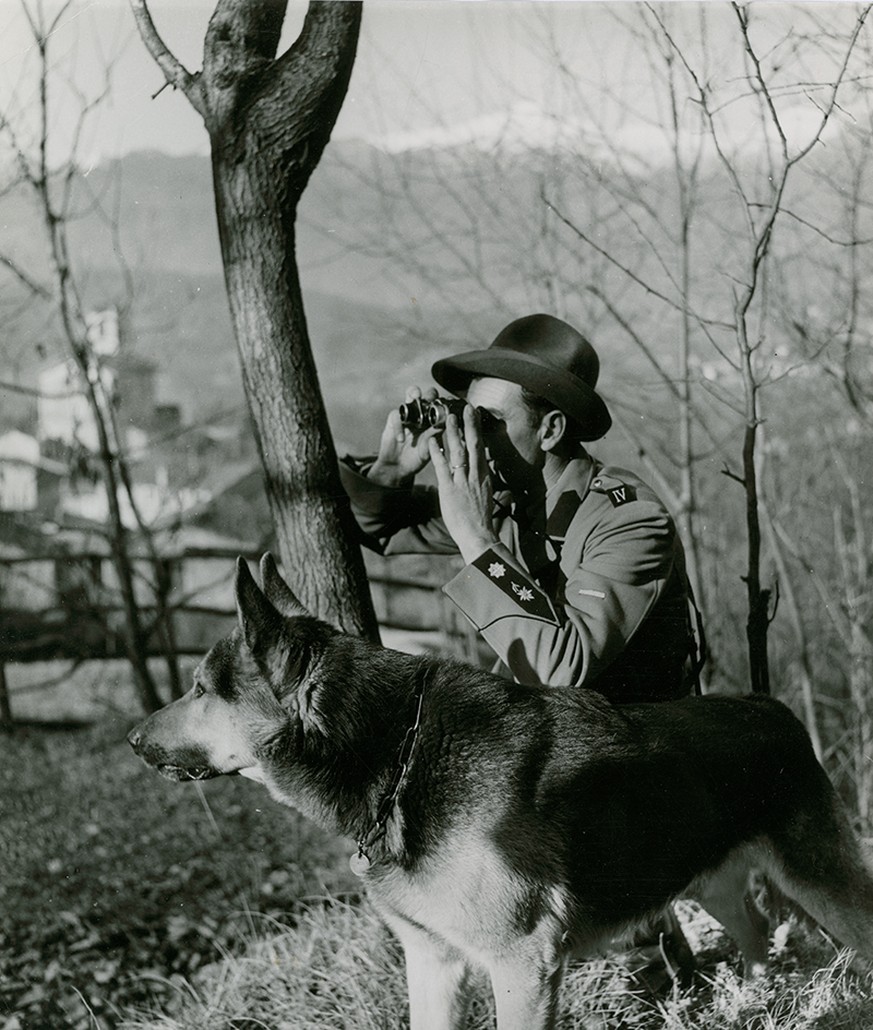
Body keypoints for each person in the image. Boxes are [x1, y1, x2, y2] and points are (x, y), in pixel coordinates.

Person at [339, 313, 701, 704]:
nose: (472, 436)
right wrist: (390, 473)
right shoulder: (510, 500)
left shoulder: (629, 520)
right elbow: (380, 529)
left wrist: (477, 539)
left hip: (629, 743)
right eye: (466, 418)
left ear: (550, 430)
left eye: (488, 422)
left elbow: (561, 669)